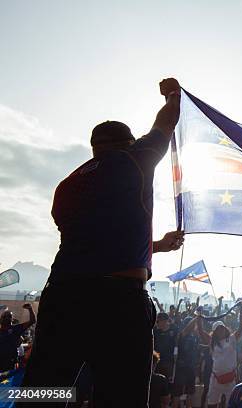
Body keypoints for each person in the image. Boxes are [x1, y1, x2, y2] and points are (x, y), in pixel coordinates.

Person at [19, 78, 184, 408]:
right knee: (120, 397)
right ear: (128, 142)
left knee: (44, 393)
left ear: (94, 147)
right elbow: (166, 122)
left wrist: (158, 247)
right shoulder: (134, 159)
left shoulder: (65, 187)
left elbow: (95, 242)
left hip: (62, 298)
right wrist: (173, 94)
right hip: (117, 303)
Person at [197, 309, 242, 408]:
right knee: (212, 404)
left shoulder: (231, 339)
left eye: (222, 328)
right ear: (214, 332)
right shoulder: (212, 341)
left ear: (225, 329)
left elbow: (241, 327)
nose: (220, 330)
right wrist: (199, 317)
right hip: (215, 379)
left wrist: (241, 311)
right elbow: (200, 331)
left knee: (231, 404)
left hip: (231, 379)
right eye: (218, 329)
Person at [0, 304, 36, 372]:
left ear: (12, 319)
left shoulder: (16, 328)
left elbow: (32, 321)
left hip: (10, 363)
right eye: (4, 316)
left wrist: (30, 309)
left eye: (9, 316)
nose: (7, 318)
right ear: (1, 319)